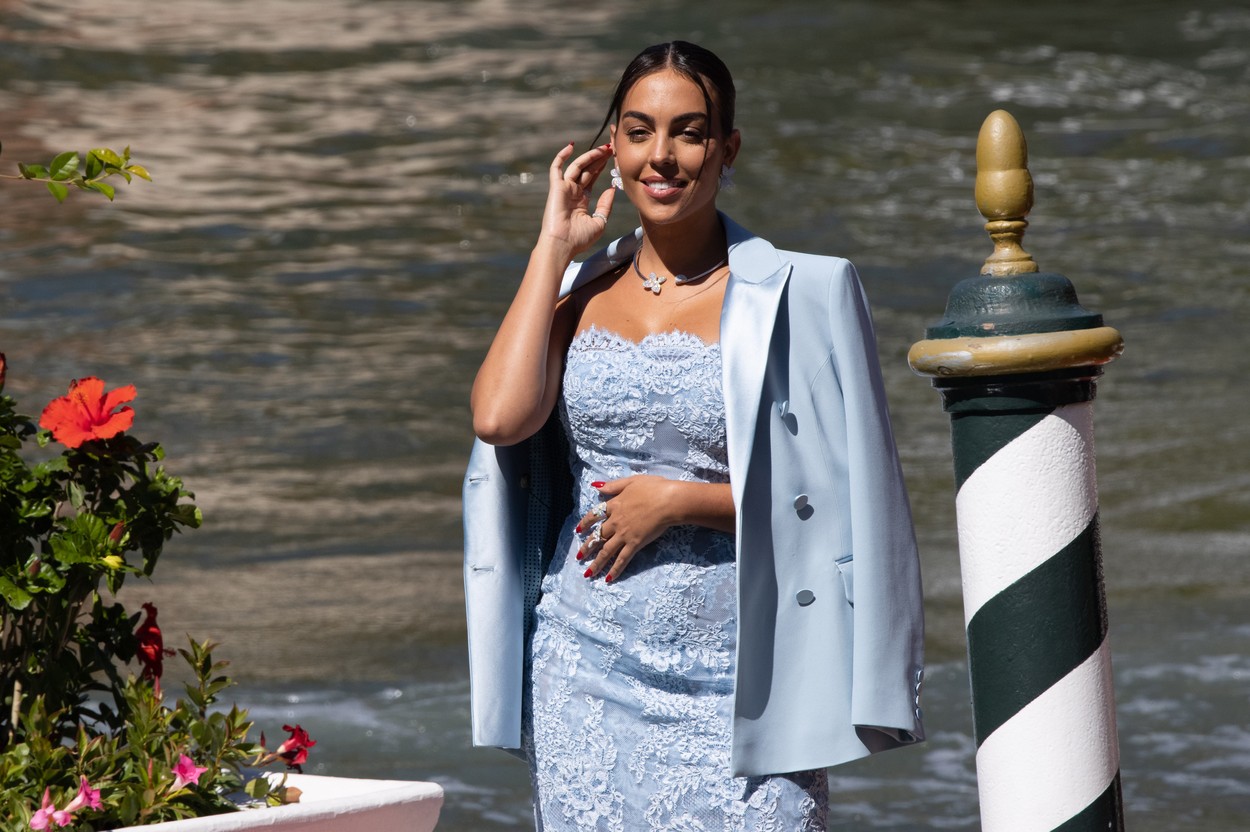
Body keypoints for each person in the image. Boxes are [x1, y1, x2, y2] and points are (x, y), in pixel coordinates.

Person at [464, 41, 925, 830]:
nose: (663, 157)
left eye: (689, 132)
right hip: (586, 670)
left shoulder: (804, 293)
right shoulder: (578, 292)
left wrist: (681, 503)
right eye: (640, 132)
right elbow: (499, 419)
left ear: (727, 148)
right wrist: (553, 248)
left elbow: (852, 502)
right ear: (612, 147)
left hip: (750, 683)